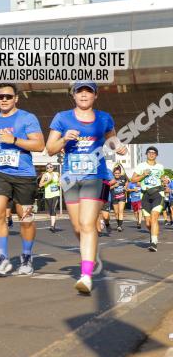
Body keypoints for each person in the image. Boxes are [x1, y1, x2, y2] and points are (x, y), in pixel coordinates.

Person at [46, 81, 127, 295]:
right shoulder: (62, 118)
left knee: (86, 224)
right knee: (77, 228)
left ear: (95, 96)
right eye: (79, 91)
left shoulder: (104, 118)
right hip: (71, 179)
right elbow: (50, 149)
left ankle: (86, 275)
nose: (83, 95)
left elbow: (111, 140)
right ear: (73, 95)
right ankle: (89, 254)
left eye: (88, 92)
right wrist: (64, 139)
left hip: (95, 176)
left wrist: (118, 147)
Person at [0, 83, 45, 276]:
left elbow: (40, 145)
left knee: (25, 219)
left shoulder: (27, 118)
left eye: (8, 96)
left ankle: (26, 256)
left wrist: (15, 140)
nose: (4, 100)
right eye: (0, 96)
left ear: (16, 98)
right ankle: (3, 258)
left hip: (23, 175)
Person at [131, 146, 165, 252]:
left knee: (154, 217)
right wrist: (143, 175)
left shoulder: (160, 166)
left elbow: (161, 178)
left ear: (156, 155)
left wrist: (164, 181)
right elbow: (133, 179)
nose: (151, 154)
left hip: (158, 193)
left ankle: (154, 242)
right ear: (146, 154)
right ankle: (153, 234)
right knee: (148, 223)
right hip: (145, 195)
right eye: (149, 152)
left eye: (154, 152)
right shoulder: (141, 166)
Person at [39, 163, 61, 232]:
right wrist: (48, 181)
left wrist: (59, 183)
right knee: (50, 210)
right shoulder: (45, 175)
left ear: (53, 167)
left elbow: (60, 181)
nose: (49, 168)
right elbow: (40, 185)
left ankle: (52, 225)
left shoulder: (57, 174)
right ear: (46, 169)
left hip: (56, 193)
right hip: (48, 194)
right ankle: (52, 224)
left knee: (53, 208)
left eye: (51, 167)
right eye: (48, 168)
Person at [109, 166, 127, 232]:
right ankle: (118, 224)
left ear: (120, 173)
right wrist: (114, 186)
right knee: (116, 213)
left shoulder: (123, 177)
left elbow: (126, 182)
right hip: (114, 197)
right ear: (113, 173)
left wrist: (125, 187)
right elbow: (107, 188)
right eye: (116, 173)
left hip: (122, 196)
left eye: (118, 173)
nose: (117, 174)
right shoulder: (111, 179)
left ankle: (120, 226)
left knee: (121, 211)